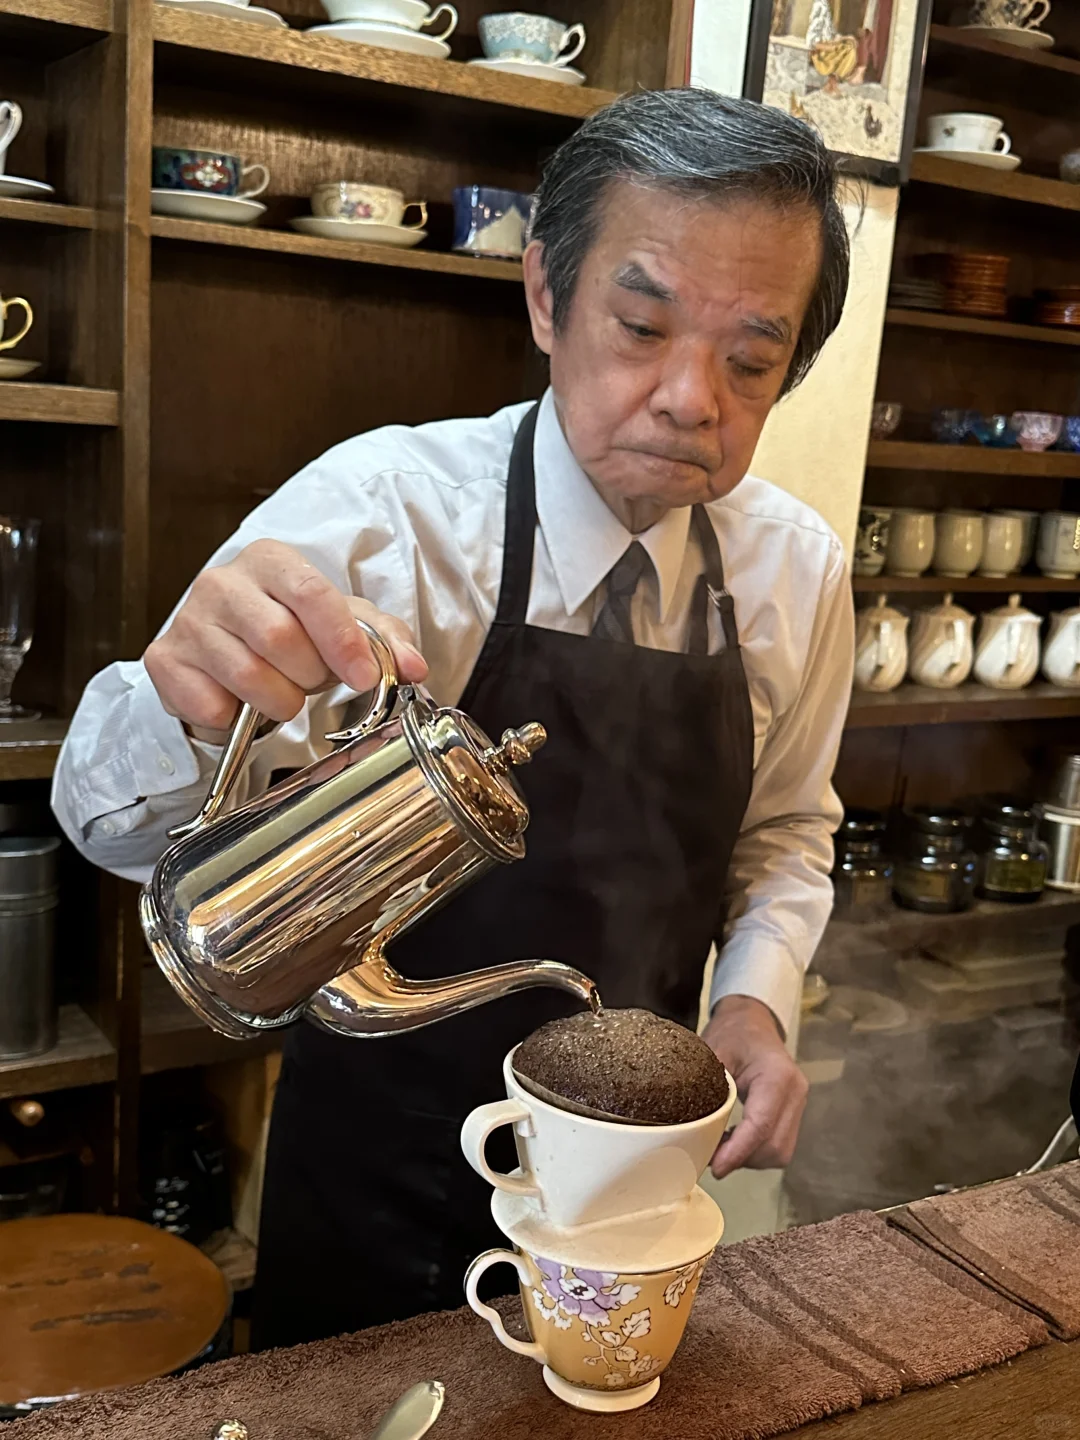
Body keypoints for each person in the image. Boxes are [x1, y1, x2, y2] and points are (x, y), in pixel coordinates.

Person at [52, 88, 854, 1348]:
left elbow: (788, 832)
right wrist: (179, 706)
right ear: (546, 295)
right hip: (377, 1157)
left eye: (751, 360)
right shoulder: (390, 516)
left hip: (630, 1178)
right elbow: (109, 828)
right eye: (641, 325)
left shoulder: (794, 571)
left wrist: (754, 1003)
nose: (693, 398)